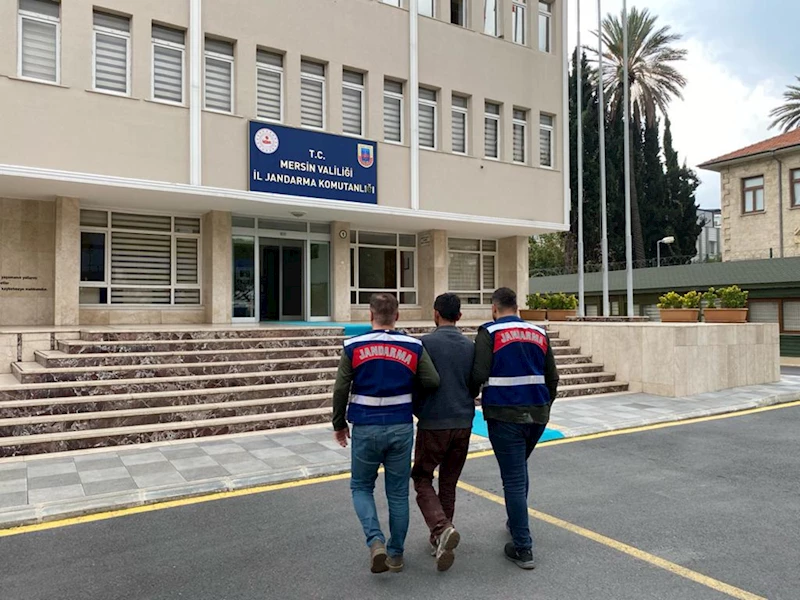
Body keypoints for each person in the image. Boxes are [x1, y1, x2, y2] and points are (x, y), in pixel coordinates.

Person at [332, 293, 440, 574]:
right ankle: (396, 554)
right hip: (400, 426)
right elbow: (431, 380)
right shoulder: (413, 346)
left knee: (361, 487)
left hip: (365, 426)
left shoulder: (353, 346)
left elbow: (341, 388)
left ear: (370, 315)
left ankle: (375, 541)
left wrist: (338, 424)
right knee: (397, 494)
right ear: (397, 316)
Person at [471, 287, 559, 570]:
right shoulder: (539, 332)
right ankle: (515, 522)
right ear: (517, 307)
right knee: (519, 470)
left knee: (513, 479)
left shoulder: (490, 332)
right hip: (537, 414)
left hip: (504, 414)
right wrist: (545, 405)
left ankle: (523, 547)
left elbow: (478, 374)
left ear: (494, 309)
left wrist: (470, 397)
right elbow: (552, 378)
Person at [411, 293, 478, 572]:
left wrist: (418, 410)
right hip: (463, 421)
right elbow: (475, 384)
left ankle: (441, 528)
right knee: (448, 482)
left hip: (434, 422)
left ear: (435, 314)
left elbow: (416, 382)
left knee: (422, 476)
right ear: (459, 316)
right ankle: (440, 539)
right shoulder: (470, 346)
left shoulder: (424, 344)